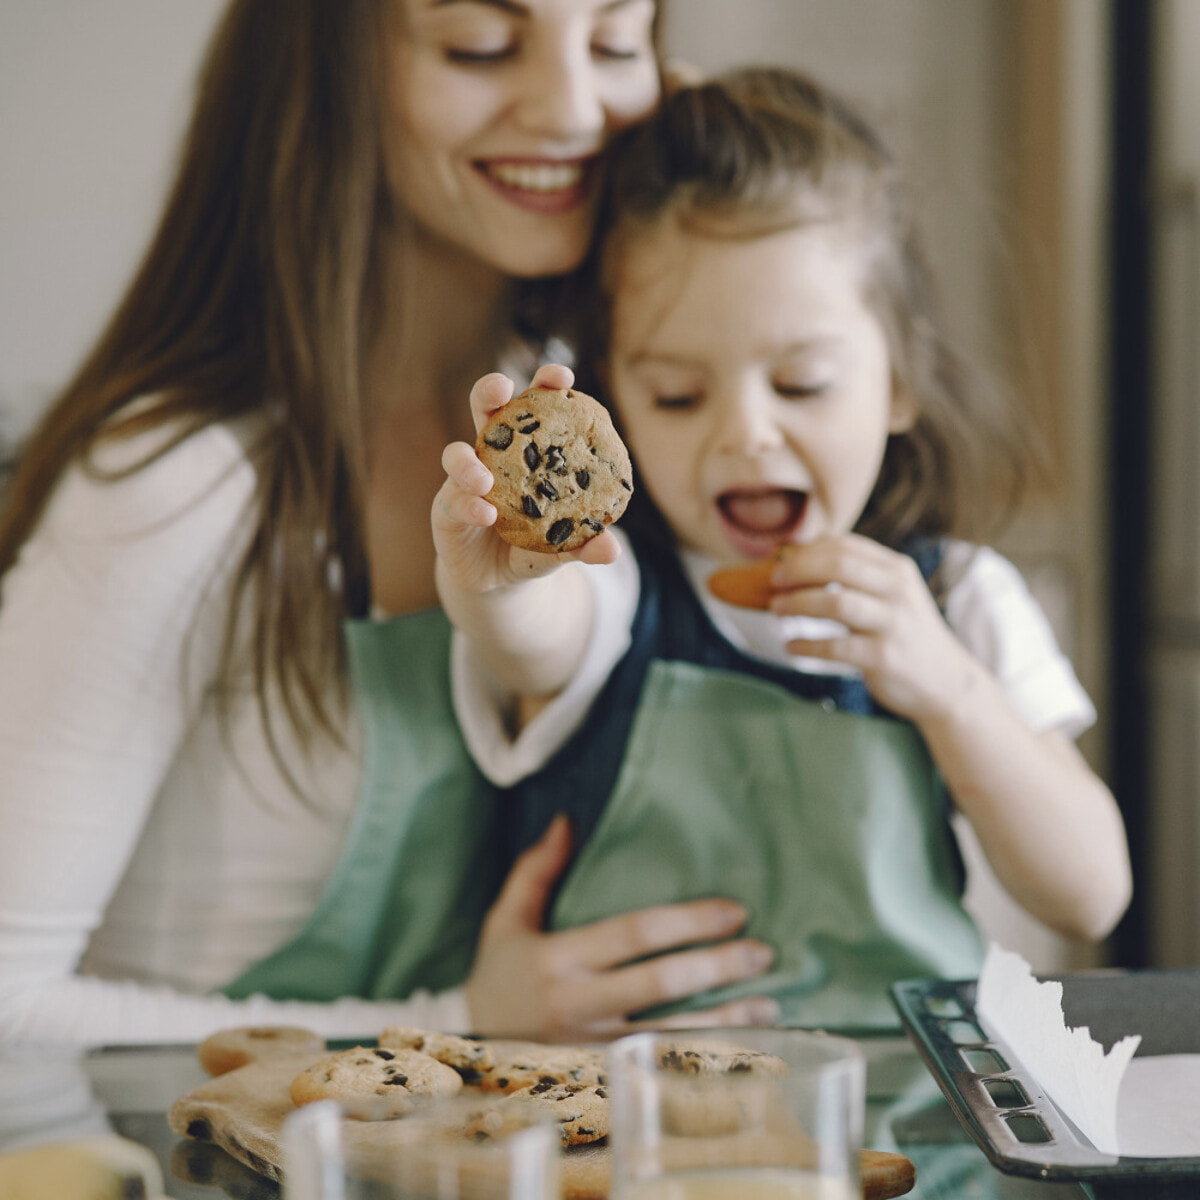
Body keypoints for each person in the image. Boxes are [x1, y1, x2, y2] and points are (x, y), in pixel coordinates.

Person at [0, 1, 782, 1047]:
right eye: (481, 45)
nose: (573, 108)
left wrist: (691, 168)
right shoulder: (175, 488)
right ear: (322, 75)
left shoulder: (609, 413)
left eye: (613, 40)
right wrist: (452, 1026)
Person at [434, 67, 1133, 1029]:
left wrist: (949, 688)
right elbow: (532, 636)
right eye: (679, 394)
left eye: (802, 384)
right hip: (636, 1142)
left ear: (898, 383)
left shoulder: (964, 598)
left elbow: (1091, 892)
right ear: (618, 400)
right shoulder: (617, 584)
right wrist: (500, 578)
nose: (747, 434)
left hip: (909, 1137)